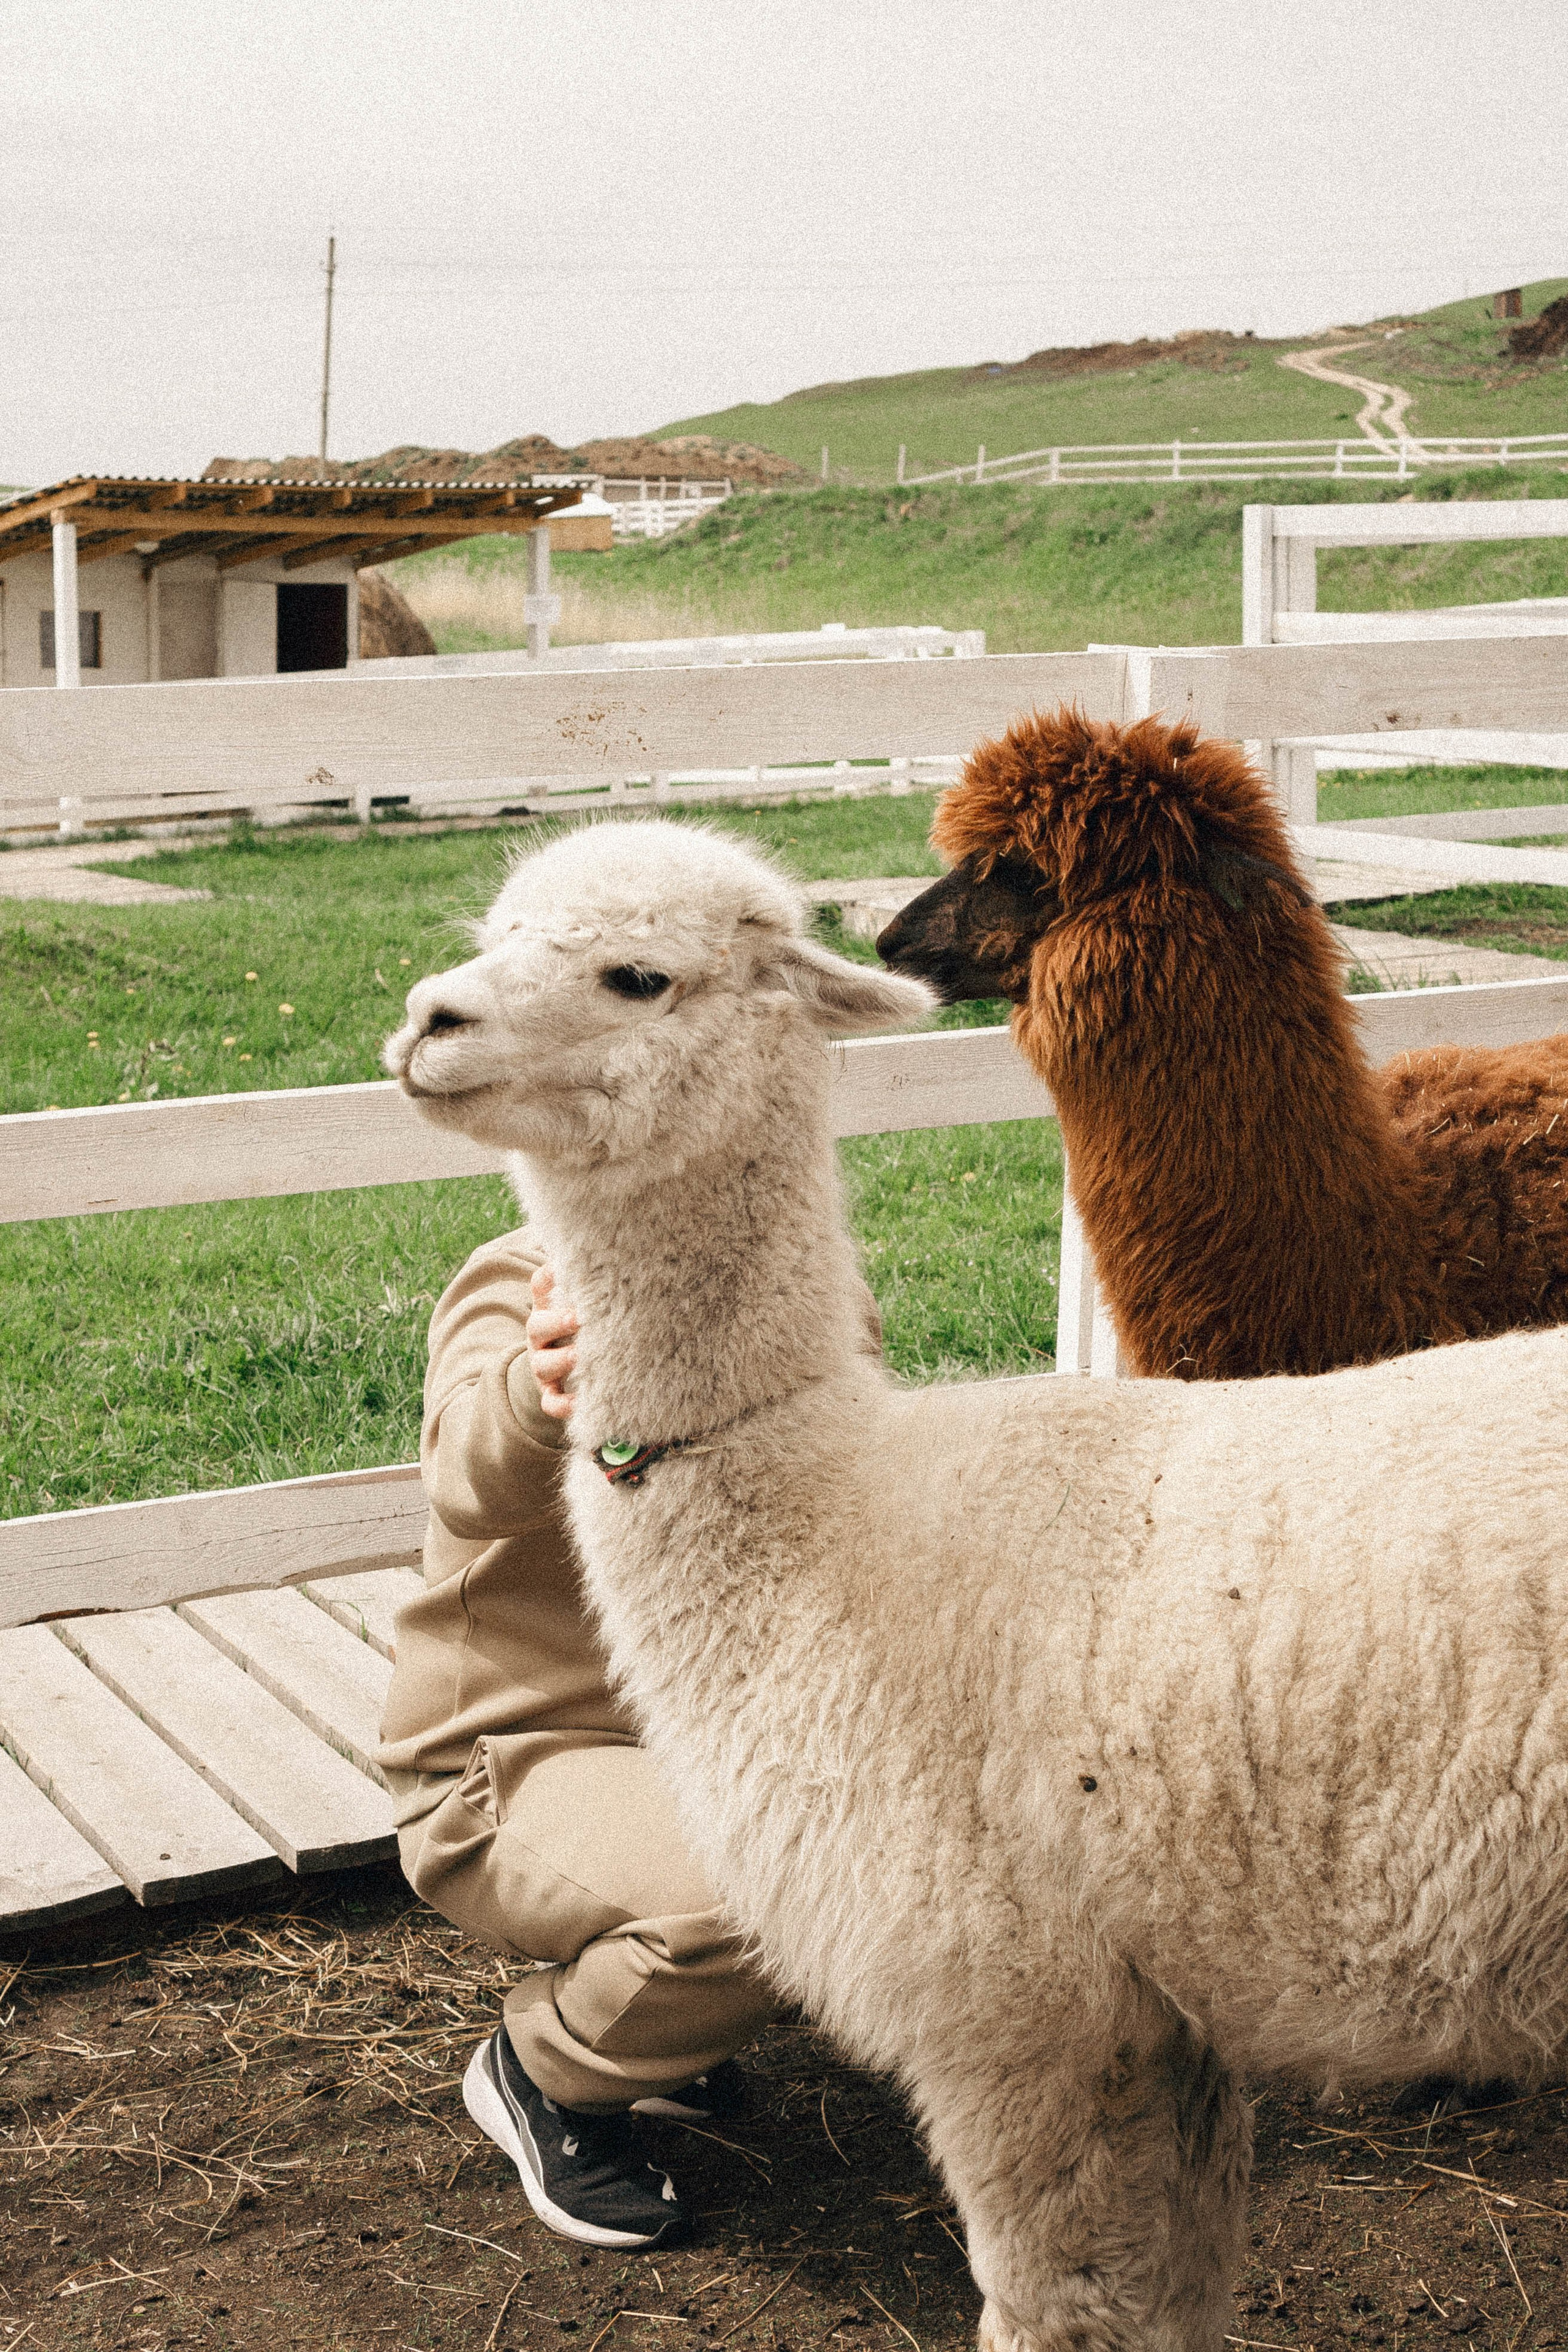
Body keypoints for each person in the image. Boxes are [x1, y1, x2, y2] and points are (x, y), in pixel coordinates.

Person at [379, 1232, 793, 2251]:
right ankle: (545, 2068)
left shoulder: (789, 1268)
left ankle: (664, 2032)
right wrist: (544, 1390)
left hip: (700, 1731)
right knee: (754, 1896)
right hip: (510, 1753)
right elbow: (464, 1477)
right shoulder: (522, 1275)